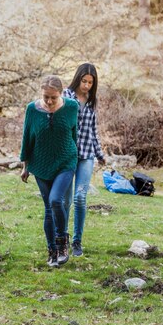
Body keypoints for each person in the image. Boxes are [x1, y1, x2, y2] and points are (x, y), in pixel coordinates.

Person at [20, 75, 79, 267]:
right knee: (48, 209)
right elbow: (27, 138)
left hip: (65, 161)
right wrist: (25, 166)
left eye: (53, 97)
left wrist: (75, 156)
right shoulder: (32, 110)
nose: (49, 101)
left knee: (56, 200)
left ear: (60, 94)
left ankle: (62, 243)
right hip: (41, 164)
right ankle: (52, 251)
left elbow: (73, 133)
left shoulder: (72, 107)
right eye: (46, 97)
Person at [62, 63, 106, 257]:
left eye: (90, 82)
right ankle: (61, 238)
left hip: (87, 154)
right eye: (84, 81)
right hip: (67, 154)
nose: (87, 85)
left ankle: (77, 241)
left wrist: (100, 153)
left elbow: (93, 130)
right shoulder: (66, 96)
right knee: (65, 200)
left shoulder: (91, 100)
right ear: (77, 78)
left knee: (80, 197)